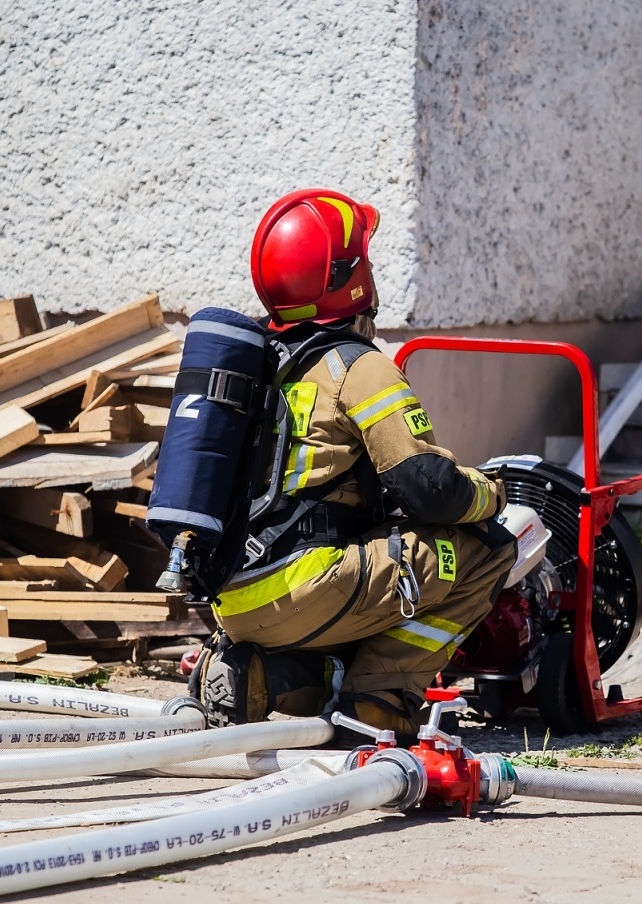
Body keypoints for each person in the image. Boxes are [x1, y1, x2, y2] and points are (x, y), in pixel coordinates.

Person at [194, 188, 517, 737]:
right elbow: (428, 488)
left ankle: (262, 680)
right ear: (352, 278)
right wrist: (494, 494)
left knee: (362, 591)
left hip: (234, 595)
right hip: (307, 587)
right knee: (487, 548)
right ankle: (382, 701)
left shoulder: (261, 366)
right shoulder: (358, 368)